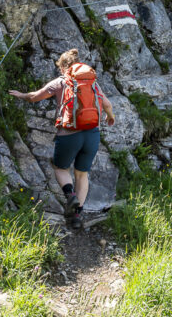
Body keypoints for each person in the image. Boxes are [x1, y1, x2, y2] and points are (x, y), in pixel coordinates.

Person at [10, 49, 115, 228]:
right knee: (82, 174)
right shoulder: (92, 83)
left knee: (60, 168)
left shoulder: (61, 82)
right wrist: (110, 116)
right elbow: (106, 104)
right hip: (92, 135)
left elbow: (35, 97)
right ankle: (76, 217)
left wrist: (21, 95)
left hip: (69, 135)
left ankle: (70, 195)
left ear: (63, 67)